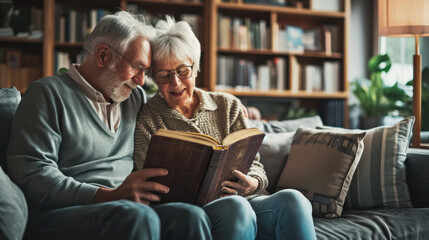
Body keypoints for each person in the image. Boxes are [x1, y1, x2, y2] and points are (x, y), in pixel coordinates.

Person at [7, 11, 255, 240]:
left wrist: (229, 106)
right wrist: (109, 195)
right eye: (137, 67)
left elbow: (172, 95)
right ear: (103, 55)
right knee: (138, 216)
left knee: (189, 215)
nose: (140, 80)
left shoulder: (132, 98)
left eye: (146, 72)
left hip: (126, 206)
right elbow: (32, 174)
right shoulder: (47, 94)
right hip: (64, 212)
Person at [133, 16, 317, 240]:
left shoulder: (227, 105)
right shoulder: (149, 118)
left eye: (183, 71)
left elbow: (255, 165)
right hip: (195, 212)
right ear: (153, 77)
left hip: (247, 200)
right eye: (164, 75)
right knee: (235, 207)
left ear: (196, 68)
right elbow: (146, 178)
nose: (176, 83)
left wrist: (252, 183)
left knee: (293, 199)